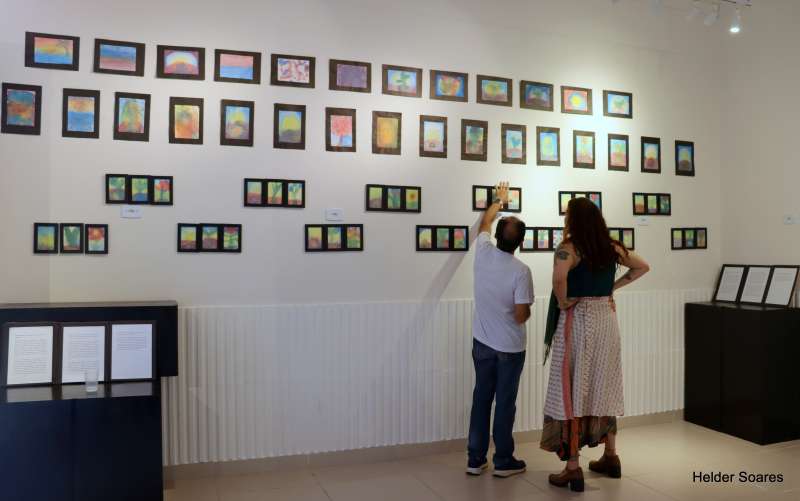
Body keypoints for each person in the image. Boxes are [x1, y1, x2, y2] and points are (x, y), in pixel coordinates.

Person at [539, 197, 650, 492]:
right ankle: (611, 456)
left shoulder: (568, 248)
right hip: (606, 320)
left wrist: (563, 301)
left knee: (573, 388)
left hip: (578, 320)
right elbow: (642, 267)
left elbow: (559, 279)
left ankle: (572, 467)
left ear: (572, 220)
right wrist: (612, 287)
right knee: (605, 385)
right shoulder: (610, 247)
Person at [467, 181, 535, 478]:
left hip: (482, 343)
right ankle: (503, 460)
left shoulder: (482, 251)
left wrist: (499, 199)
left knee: (481, 398)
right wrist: (527, 307)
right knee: (505, 403)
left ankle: (475, 459)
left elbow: (485, 220)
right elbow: (520, 316)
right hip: (509, 348)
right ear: (520, 242)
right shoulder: (521, 271)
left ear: (496, 236)